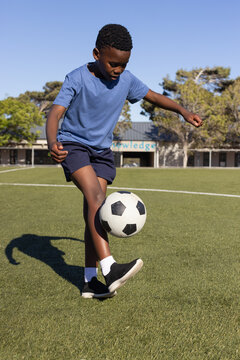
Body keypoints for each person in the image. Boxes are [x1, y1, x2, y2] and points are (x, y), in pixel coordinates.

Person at [46, 24, 203, 299]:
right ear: (97, 53)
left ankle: (89, 281)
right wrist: (52, 143)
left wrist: (182, 110)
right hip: (73, 145)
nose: (117, 69)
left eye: (123, 64)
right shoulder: (77, 77)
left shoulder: (126, 80)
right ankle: (110, 268)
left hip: (102, 152)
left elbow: (153, 97)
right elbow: (55, 113)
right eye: (113, 63)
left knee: (93, 214)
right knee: (97, 199)